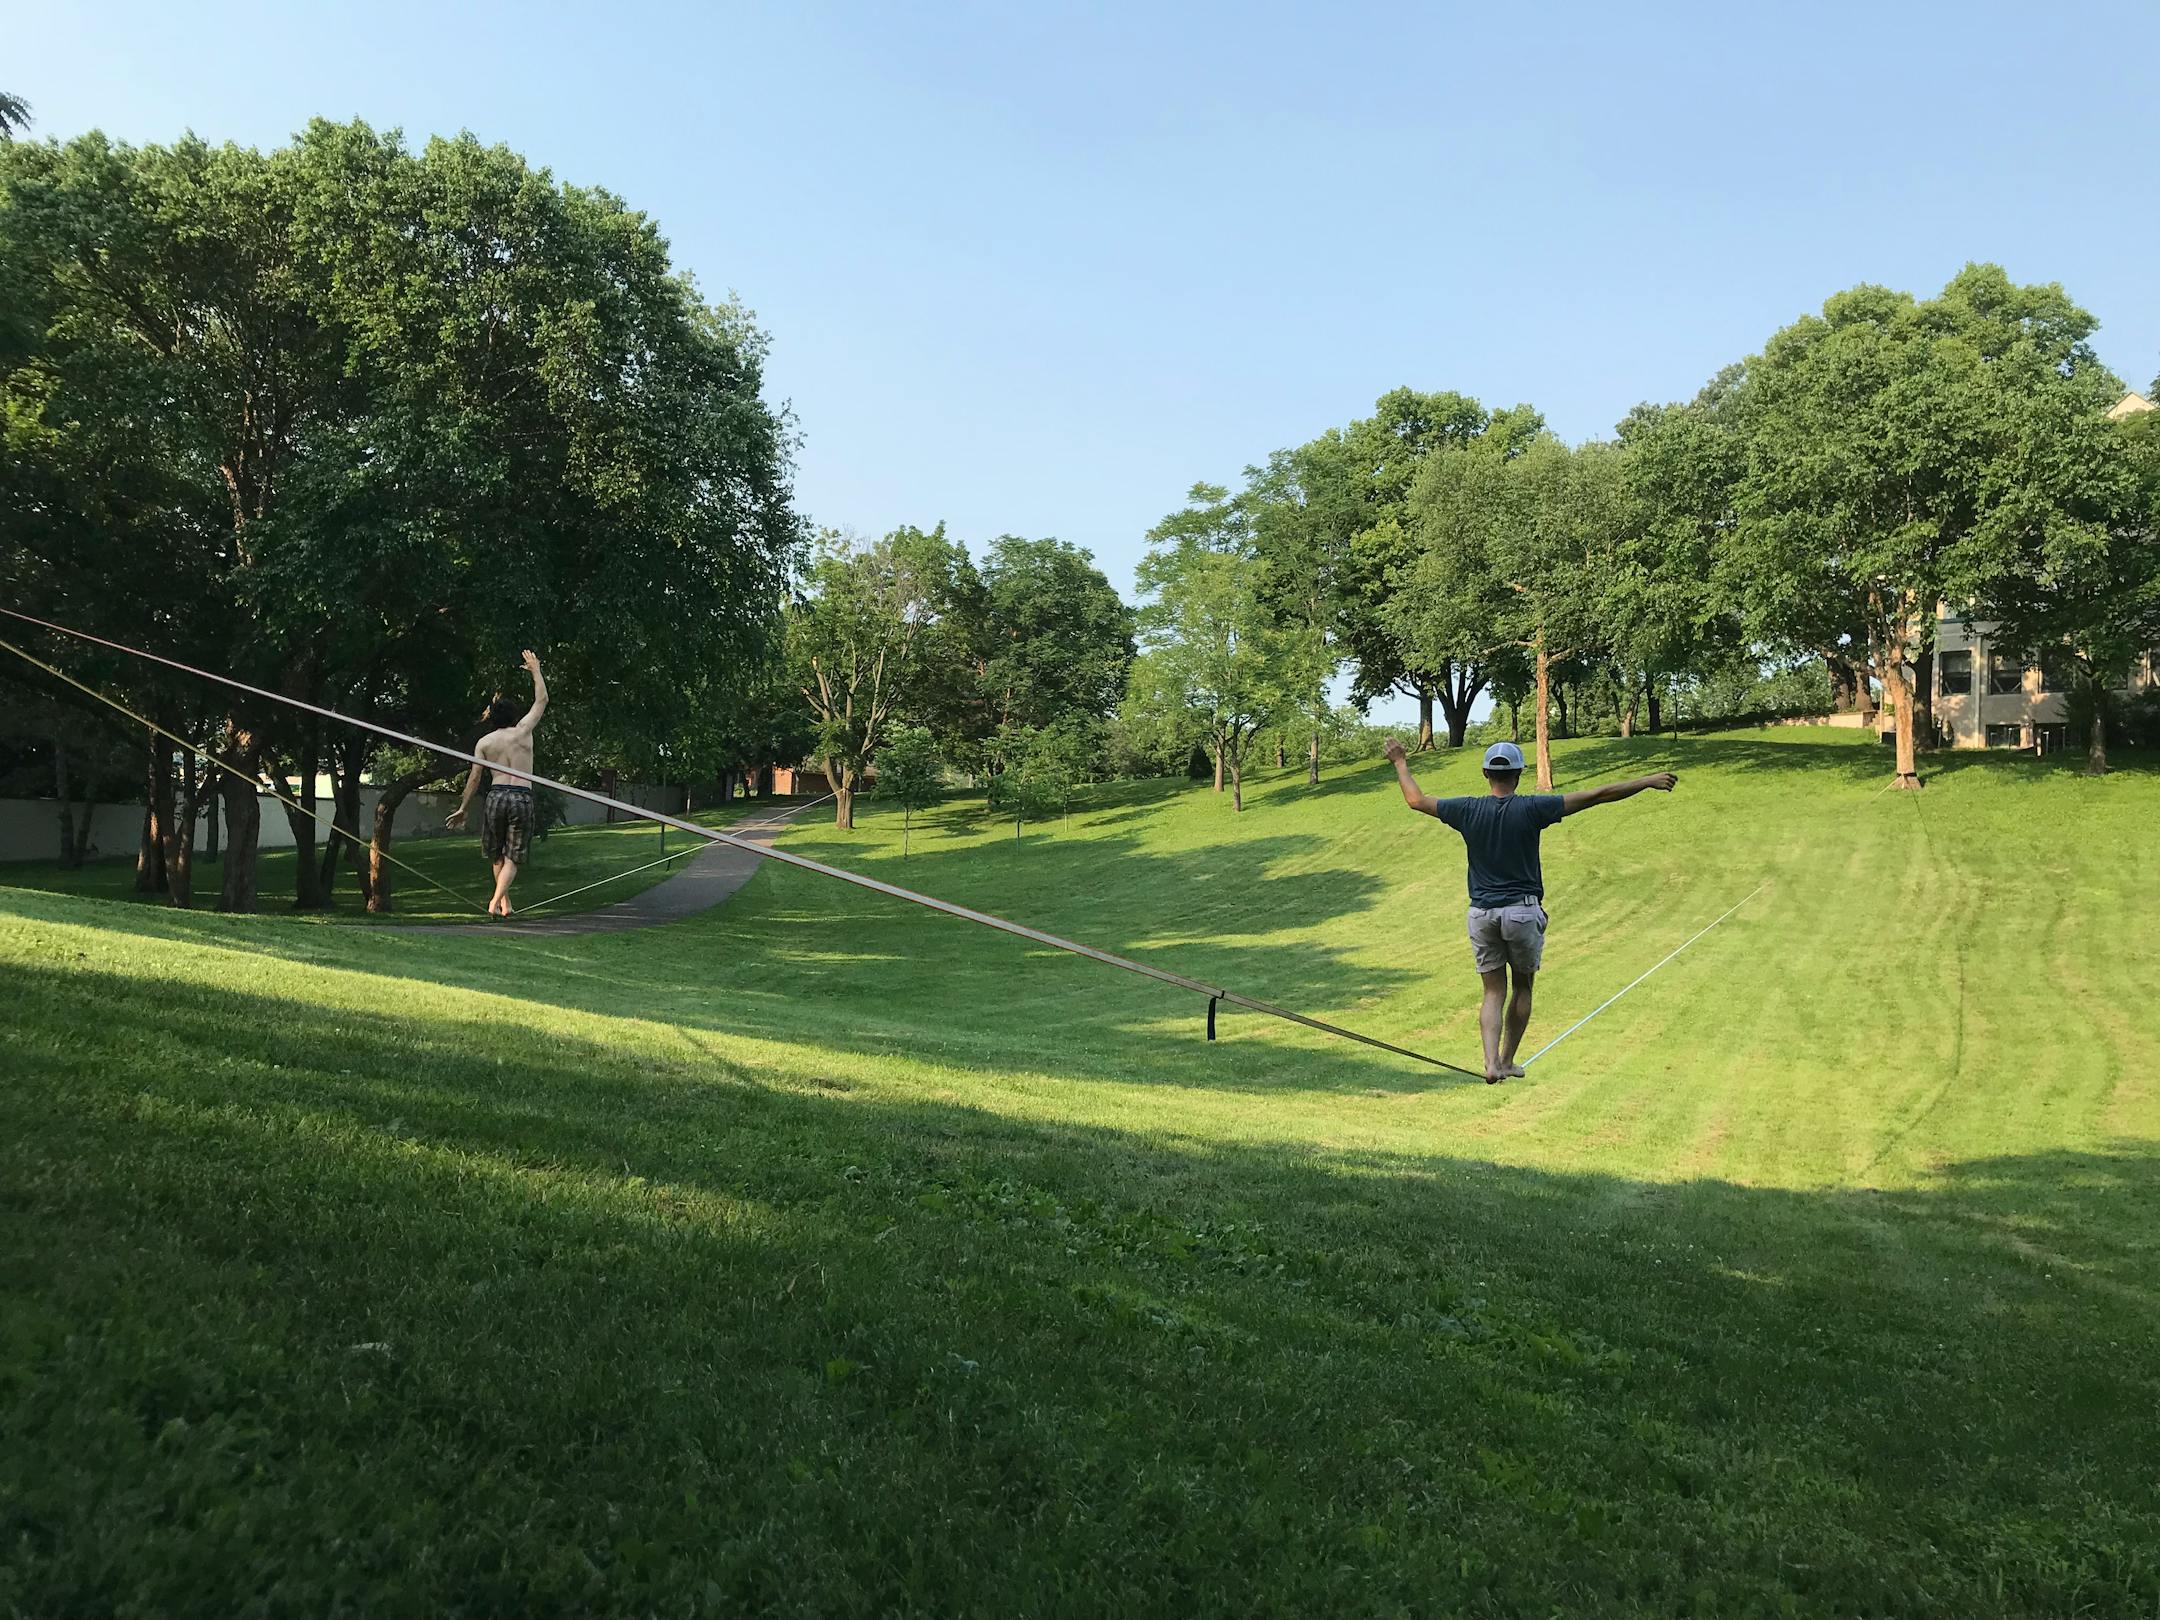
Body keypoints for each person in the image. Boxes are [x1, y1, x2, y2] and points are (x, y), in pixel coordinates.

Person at [1383, 738, 1676, 1083]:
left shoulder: (1467, 810)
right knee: (1522, 987)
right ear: (1519, 774)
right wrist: (1645, 781)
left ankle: (1490, 1062)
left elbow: (1416, 800)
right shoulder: (1533, 808)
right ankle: (1507, 1061)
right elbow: (1596, 795)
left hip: (1481, 915)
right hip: (1522, 912)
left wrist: (1400, 761)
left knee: (1493, 991)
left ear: (1485, 774)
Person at [447, 650, 549, 917]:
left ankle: (505, 904)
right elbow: (542, 700)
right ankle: (496, 901)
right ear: (515, 715)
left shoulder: (485, 743)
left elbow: (475, 777)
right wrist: (535, 670)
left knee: (496, 854)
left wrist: (464, 807)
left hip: (496, 796)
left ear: (492, 719)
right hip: (521, 796)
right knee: (513, 856)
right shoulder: (523, 731)